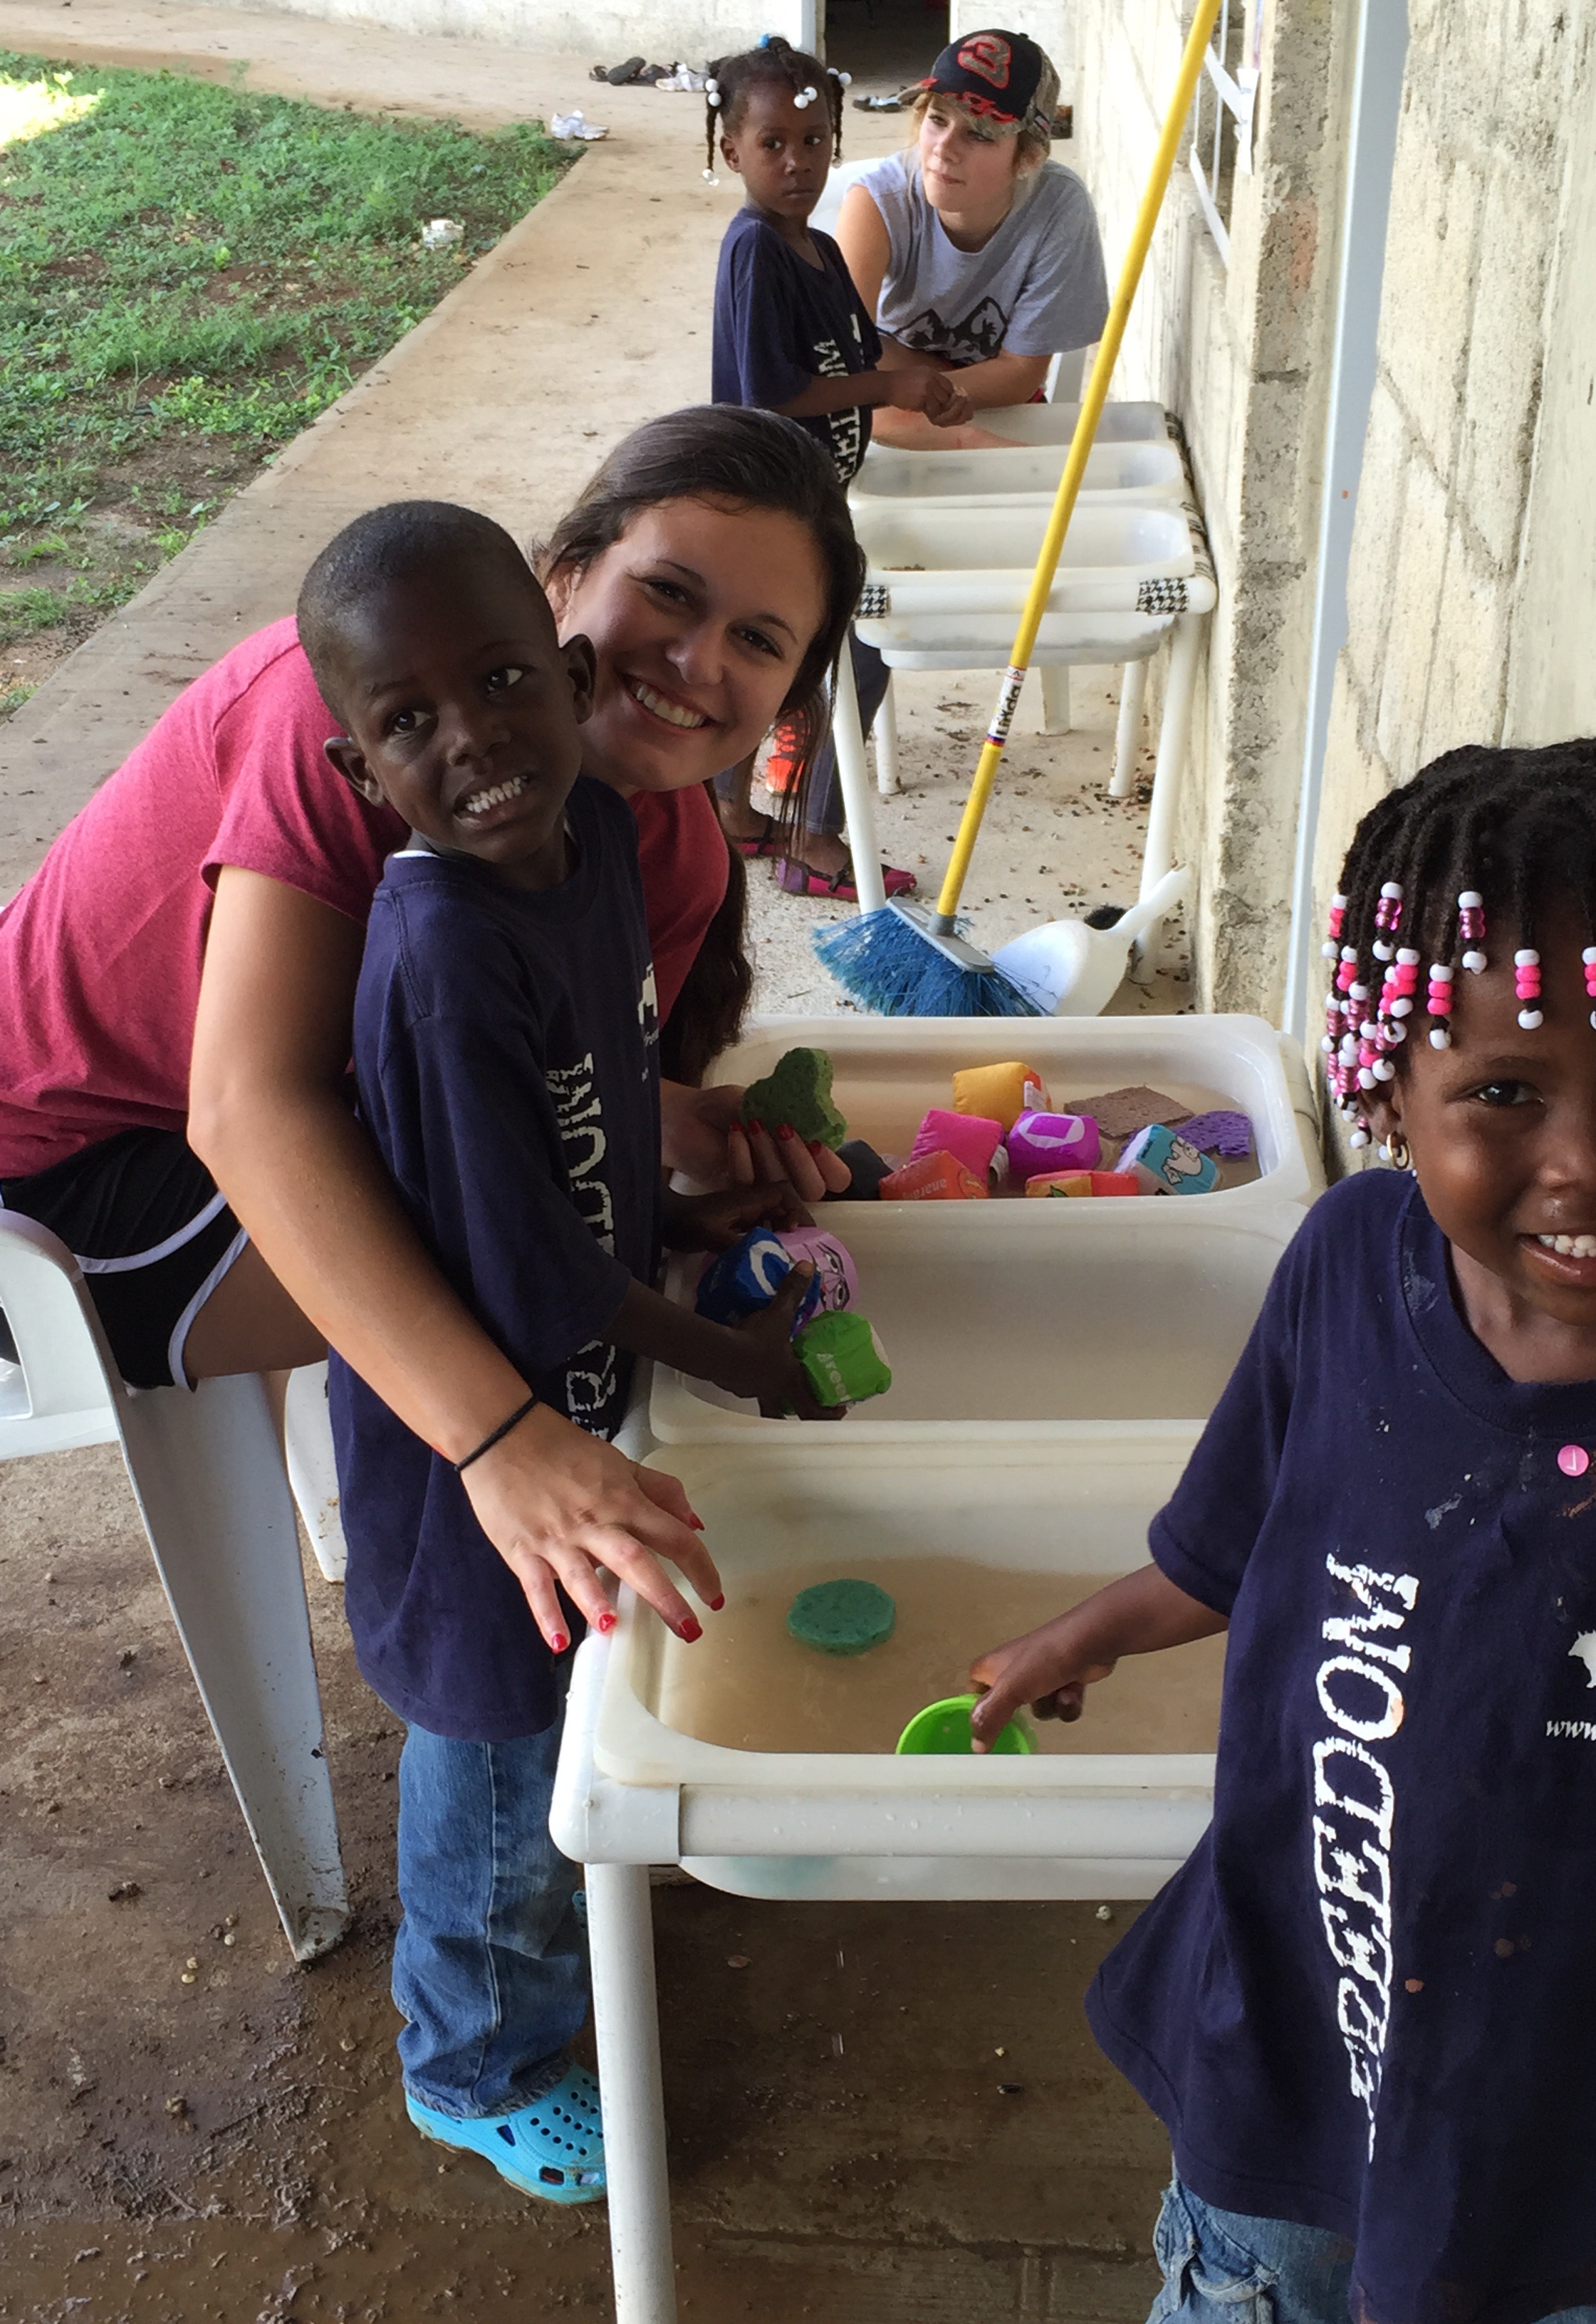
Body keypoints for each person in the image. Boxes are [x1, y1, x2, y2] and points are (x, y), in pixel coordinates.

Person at [968, 741, 1596, 2321]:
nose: (1588, 1161)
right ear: (1386, 1095)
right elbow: (1231, 1536)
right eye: (1504, 1094)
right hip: (1298, 2037)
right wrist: (1085, 1633)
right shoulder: (1344, 1266)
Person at [0, 407, 858, 1648]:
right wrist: (501, 1441)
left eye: (758, 640)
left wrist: (672, 1137)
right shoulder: (361, 714)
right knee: (522, 1295)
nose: (692, 659)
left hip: (216, 1145)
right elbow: (252, 1109)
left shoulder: (663, 854)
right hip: (62, 1183)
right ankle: (490, 1663)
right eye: (667, 593)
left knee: (586, 1240)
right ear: (564, 576)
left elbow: (522, 1096)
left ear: (789, 694)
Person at [296, 501, 836, 2202]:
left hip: (581, 1383)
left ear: (573, 672)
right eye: (409, 720)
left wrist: (685, 1218)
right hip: (474, 1436)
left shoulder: (596, 840)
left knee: (567, 1703)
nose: (472, 740)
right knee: (495, 1733)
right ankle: (473, 2059)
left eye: (501, 682)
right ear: (356, 768)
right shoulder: (445, 956)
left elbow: (588, 1119)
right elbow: (532, 1281)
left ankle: (553, 1912)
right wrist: (742, 1358)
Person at [704, 36, 972, 901]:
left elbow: (863, 350)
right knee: (860, 653)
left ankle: (731, 813)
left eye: (814, 140)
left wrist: (928, 384)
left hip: (819, 498)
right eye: (773, 143)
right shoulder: (755, 248)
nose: (797, 161)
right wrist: (890, 385)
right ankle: (815, 839)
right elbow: (774, 391)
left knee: (774, 656)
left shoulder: (816, 248)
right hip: (771, 508)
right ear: (731, 151)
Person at [835, 31, 1110, 453]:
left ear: (1028, 156)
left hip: (982, 403)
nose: (944, 149)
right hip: (896, 399)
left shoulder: (1058, 208)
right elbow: (840, 366)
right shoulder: (878, 201)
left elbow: (1020, 376)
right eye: (937, 119)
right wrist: (963, 436)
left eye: (979, 134)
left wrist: (912, 387)